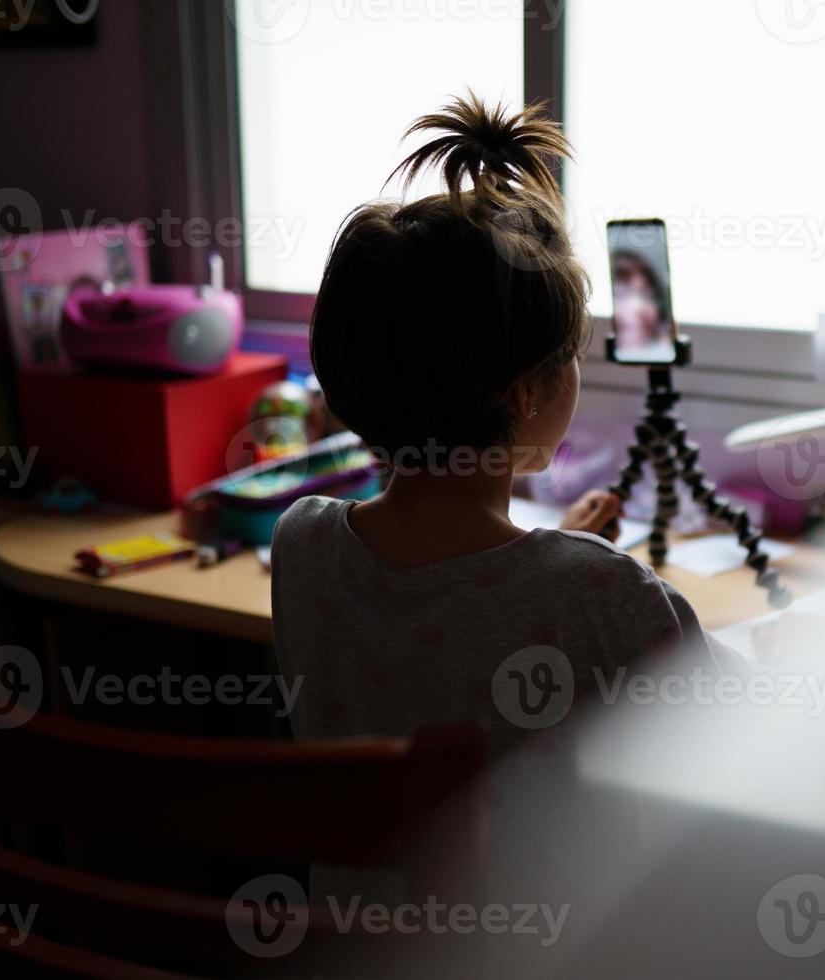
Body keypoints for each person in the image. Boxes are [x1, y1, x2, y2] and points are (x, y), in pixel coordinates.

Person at [272, 94, 731, 754]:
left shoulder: (302, 544)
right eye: (572, 356)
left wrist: (551, 551)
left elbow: (471, 604)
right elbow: (730, 735)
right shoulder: (601, 590)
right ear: (524, 393)